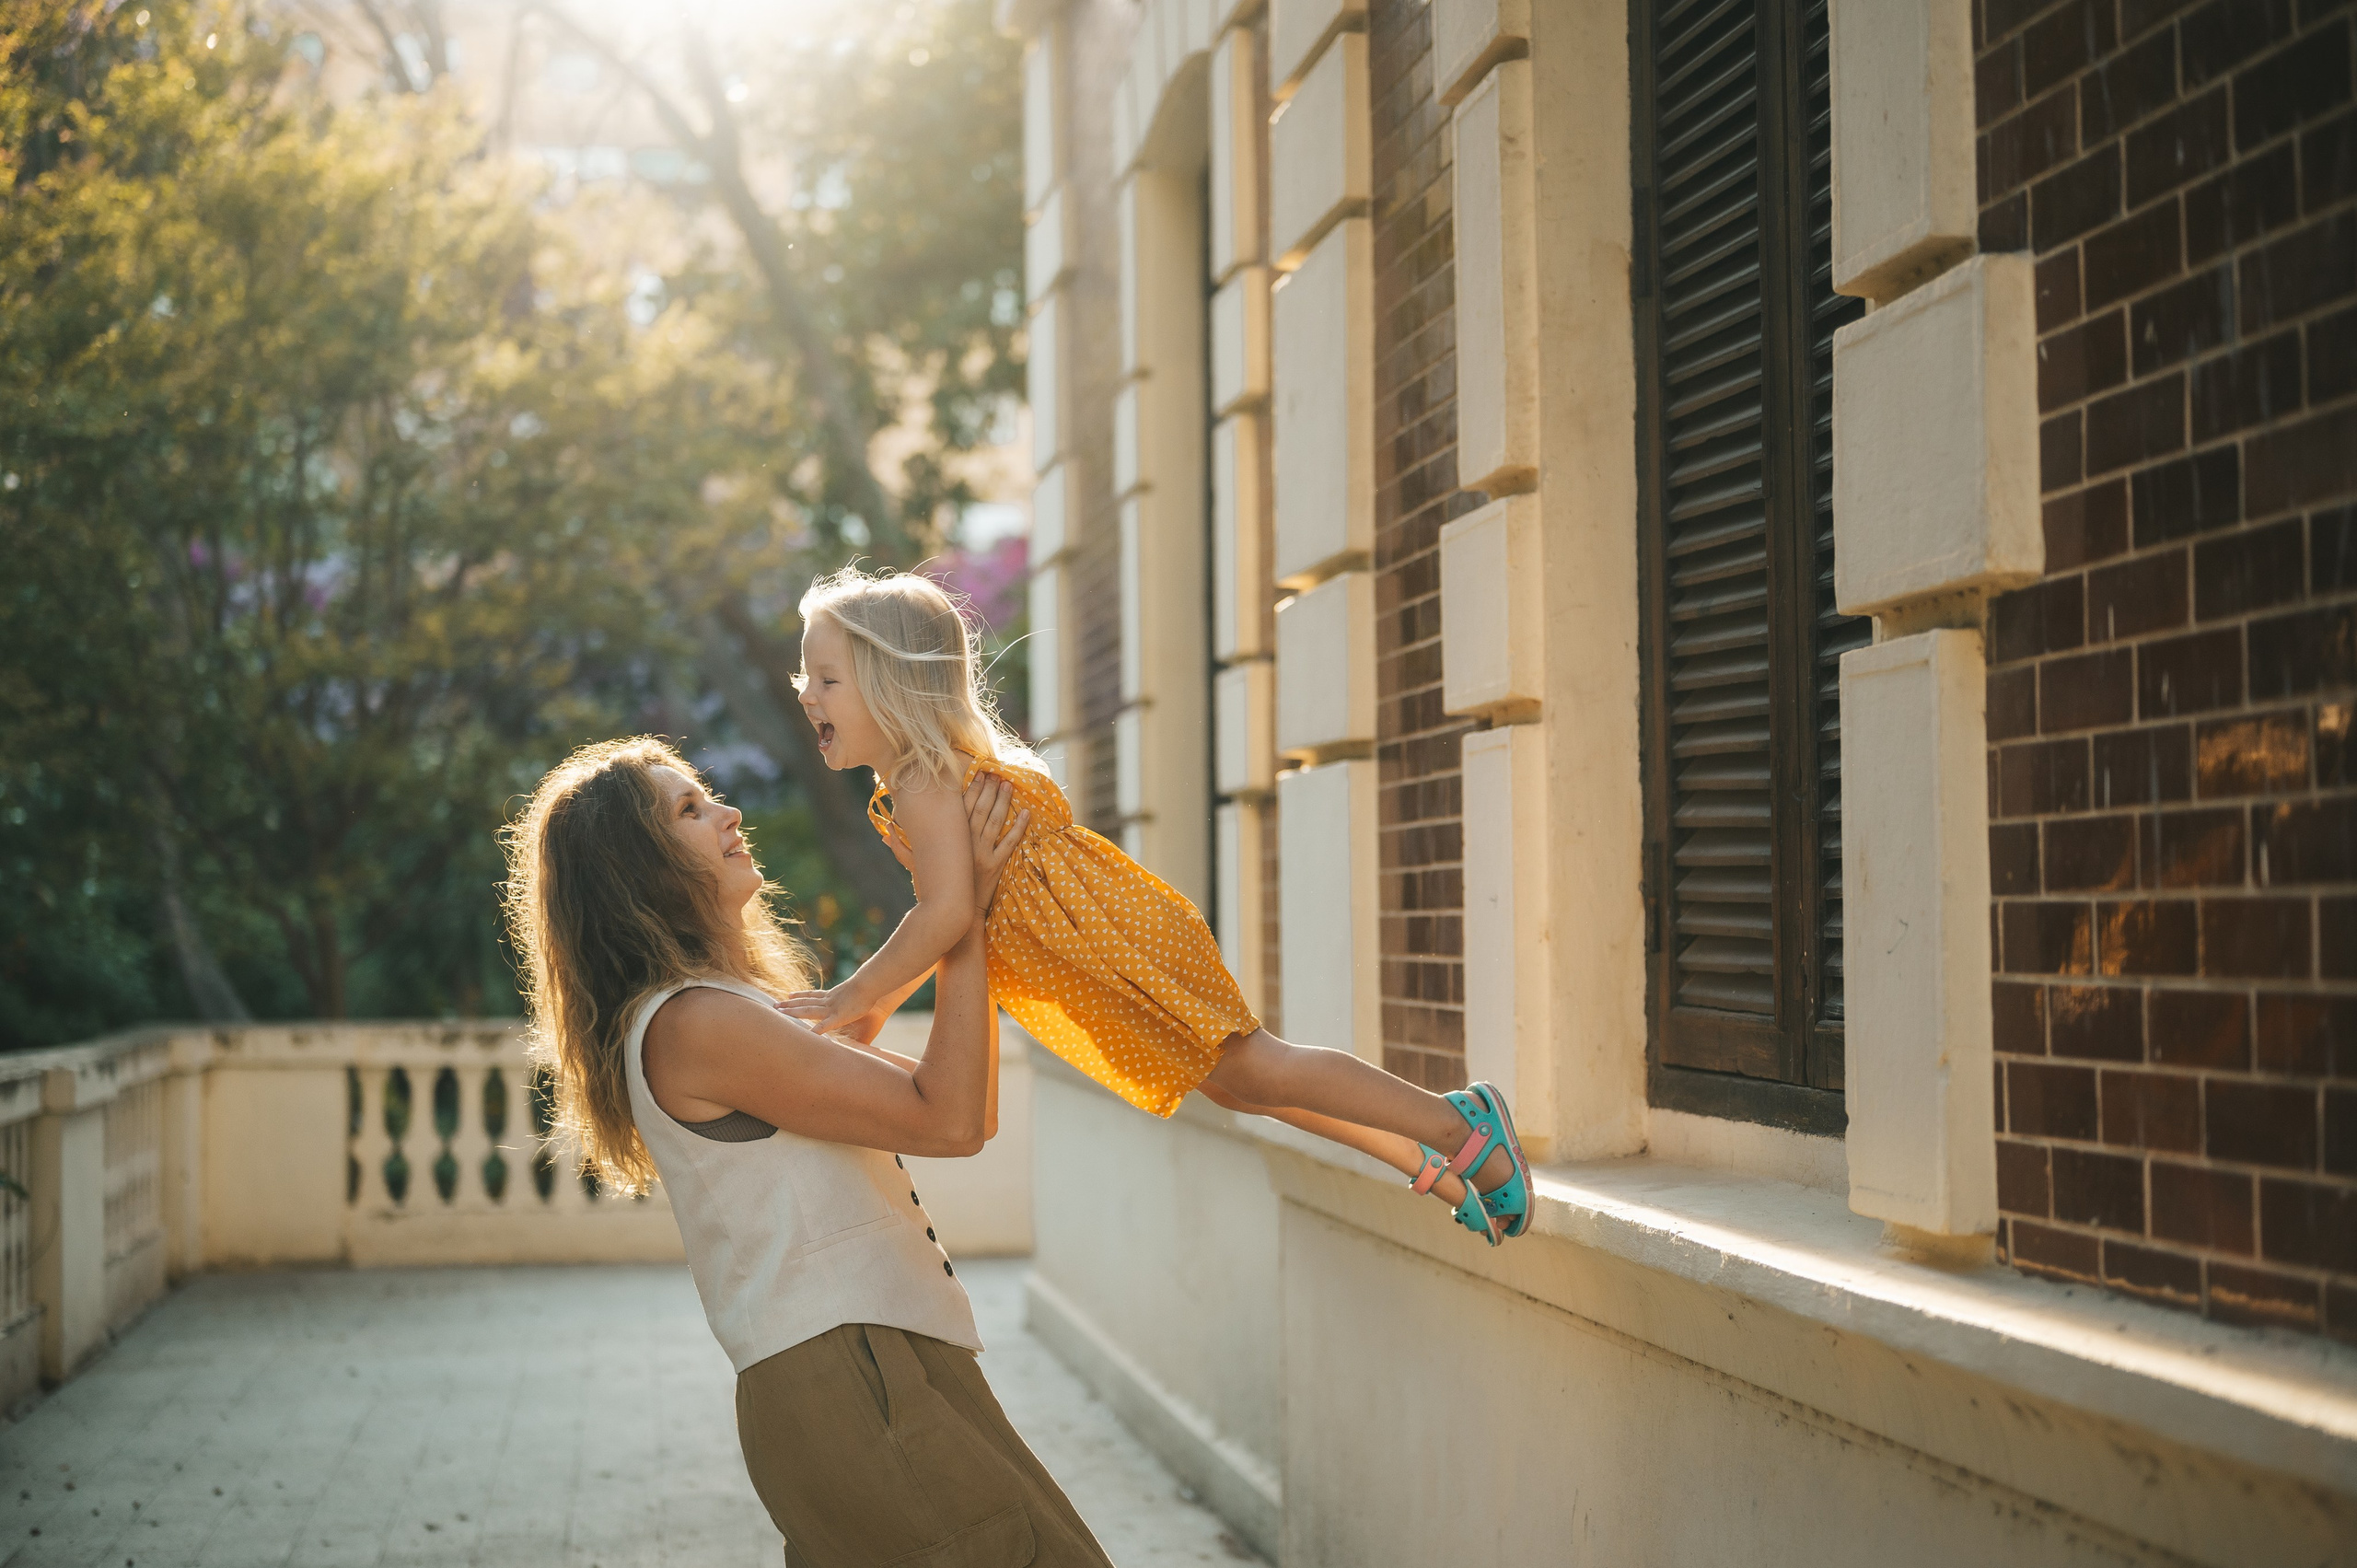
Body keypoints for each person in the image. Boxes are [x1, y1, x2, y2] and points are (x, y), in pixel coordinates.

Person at [503, 736, 1120, 1567]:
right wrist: (954, 906)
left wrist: (946, 901)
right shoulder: (700, 1024)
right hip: (854, 1372)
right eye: (690, 809)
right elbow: (949, 1119)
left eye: (708, 794)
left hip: (869, 1366)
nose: (728, 812)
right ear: (637, 867)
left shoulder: (728, 1008)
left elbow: (946, 1093)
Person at [786, 567, 1535, 1245]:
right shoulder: (917, 784)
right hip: (1102, 946)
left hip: (1111, 943)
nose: (804, 692)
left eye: (826, 679)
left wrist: (854, 995)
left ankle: (1455, 1124)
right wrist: (865, 1014)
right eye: (804, 675)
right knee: (1245, 1085)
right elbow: (952, 916)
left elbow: (946, 916)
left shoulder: (922, 779)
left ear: (891, 685)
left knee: (1259, 1068)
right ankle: (1425, 1155)